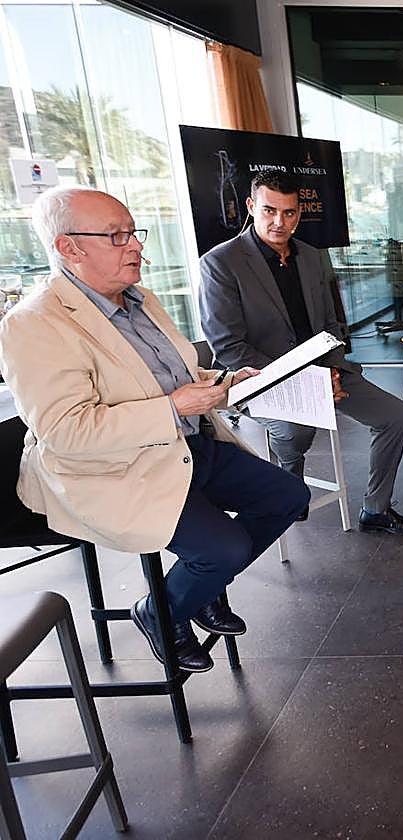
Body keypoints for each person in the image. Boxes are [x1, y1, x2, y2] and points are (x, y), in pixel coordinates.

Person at [0, 186, 309, 673]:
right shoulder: (33, 325)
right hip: (115, 470)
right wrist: (172, 407)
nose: (137, 246)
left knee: (288, 498)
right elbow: (66, 432)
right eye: (117, 236)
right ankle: (162, 610)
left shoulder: (140, 299)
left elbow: (173, 377)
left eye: (133, 232)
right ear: (69, 247)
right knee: (223, 549)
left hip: (185, 446)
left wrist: (223, 383)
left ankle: (196, 590)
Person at [199, 170, 403, 537]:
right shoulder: (220, 263)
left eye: (289, 213)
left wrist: (330, 373)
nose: (279, 222)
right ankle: (288, 491)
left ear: (299, 213)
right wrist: (305, 381)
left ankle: (376, 508)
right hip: (258, 379)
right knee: (295, 428)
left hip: (324, 371)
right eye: (270, 210)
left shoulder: (311, 256)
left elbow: (332, 325)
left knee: (395, 415)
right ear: (251, 206)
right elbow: (228, 346)